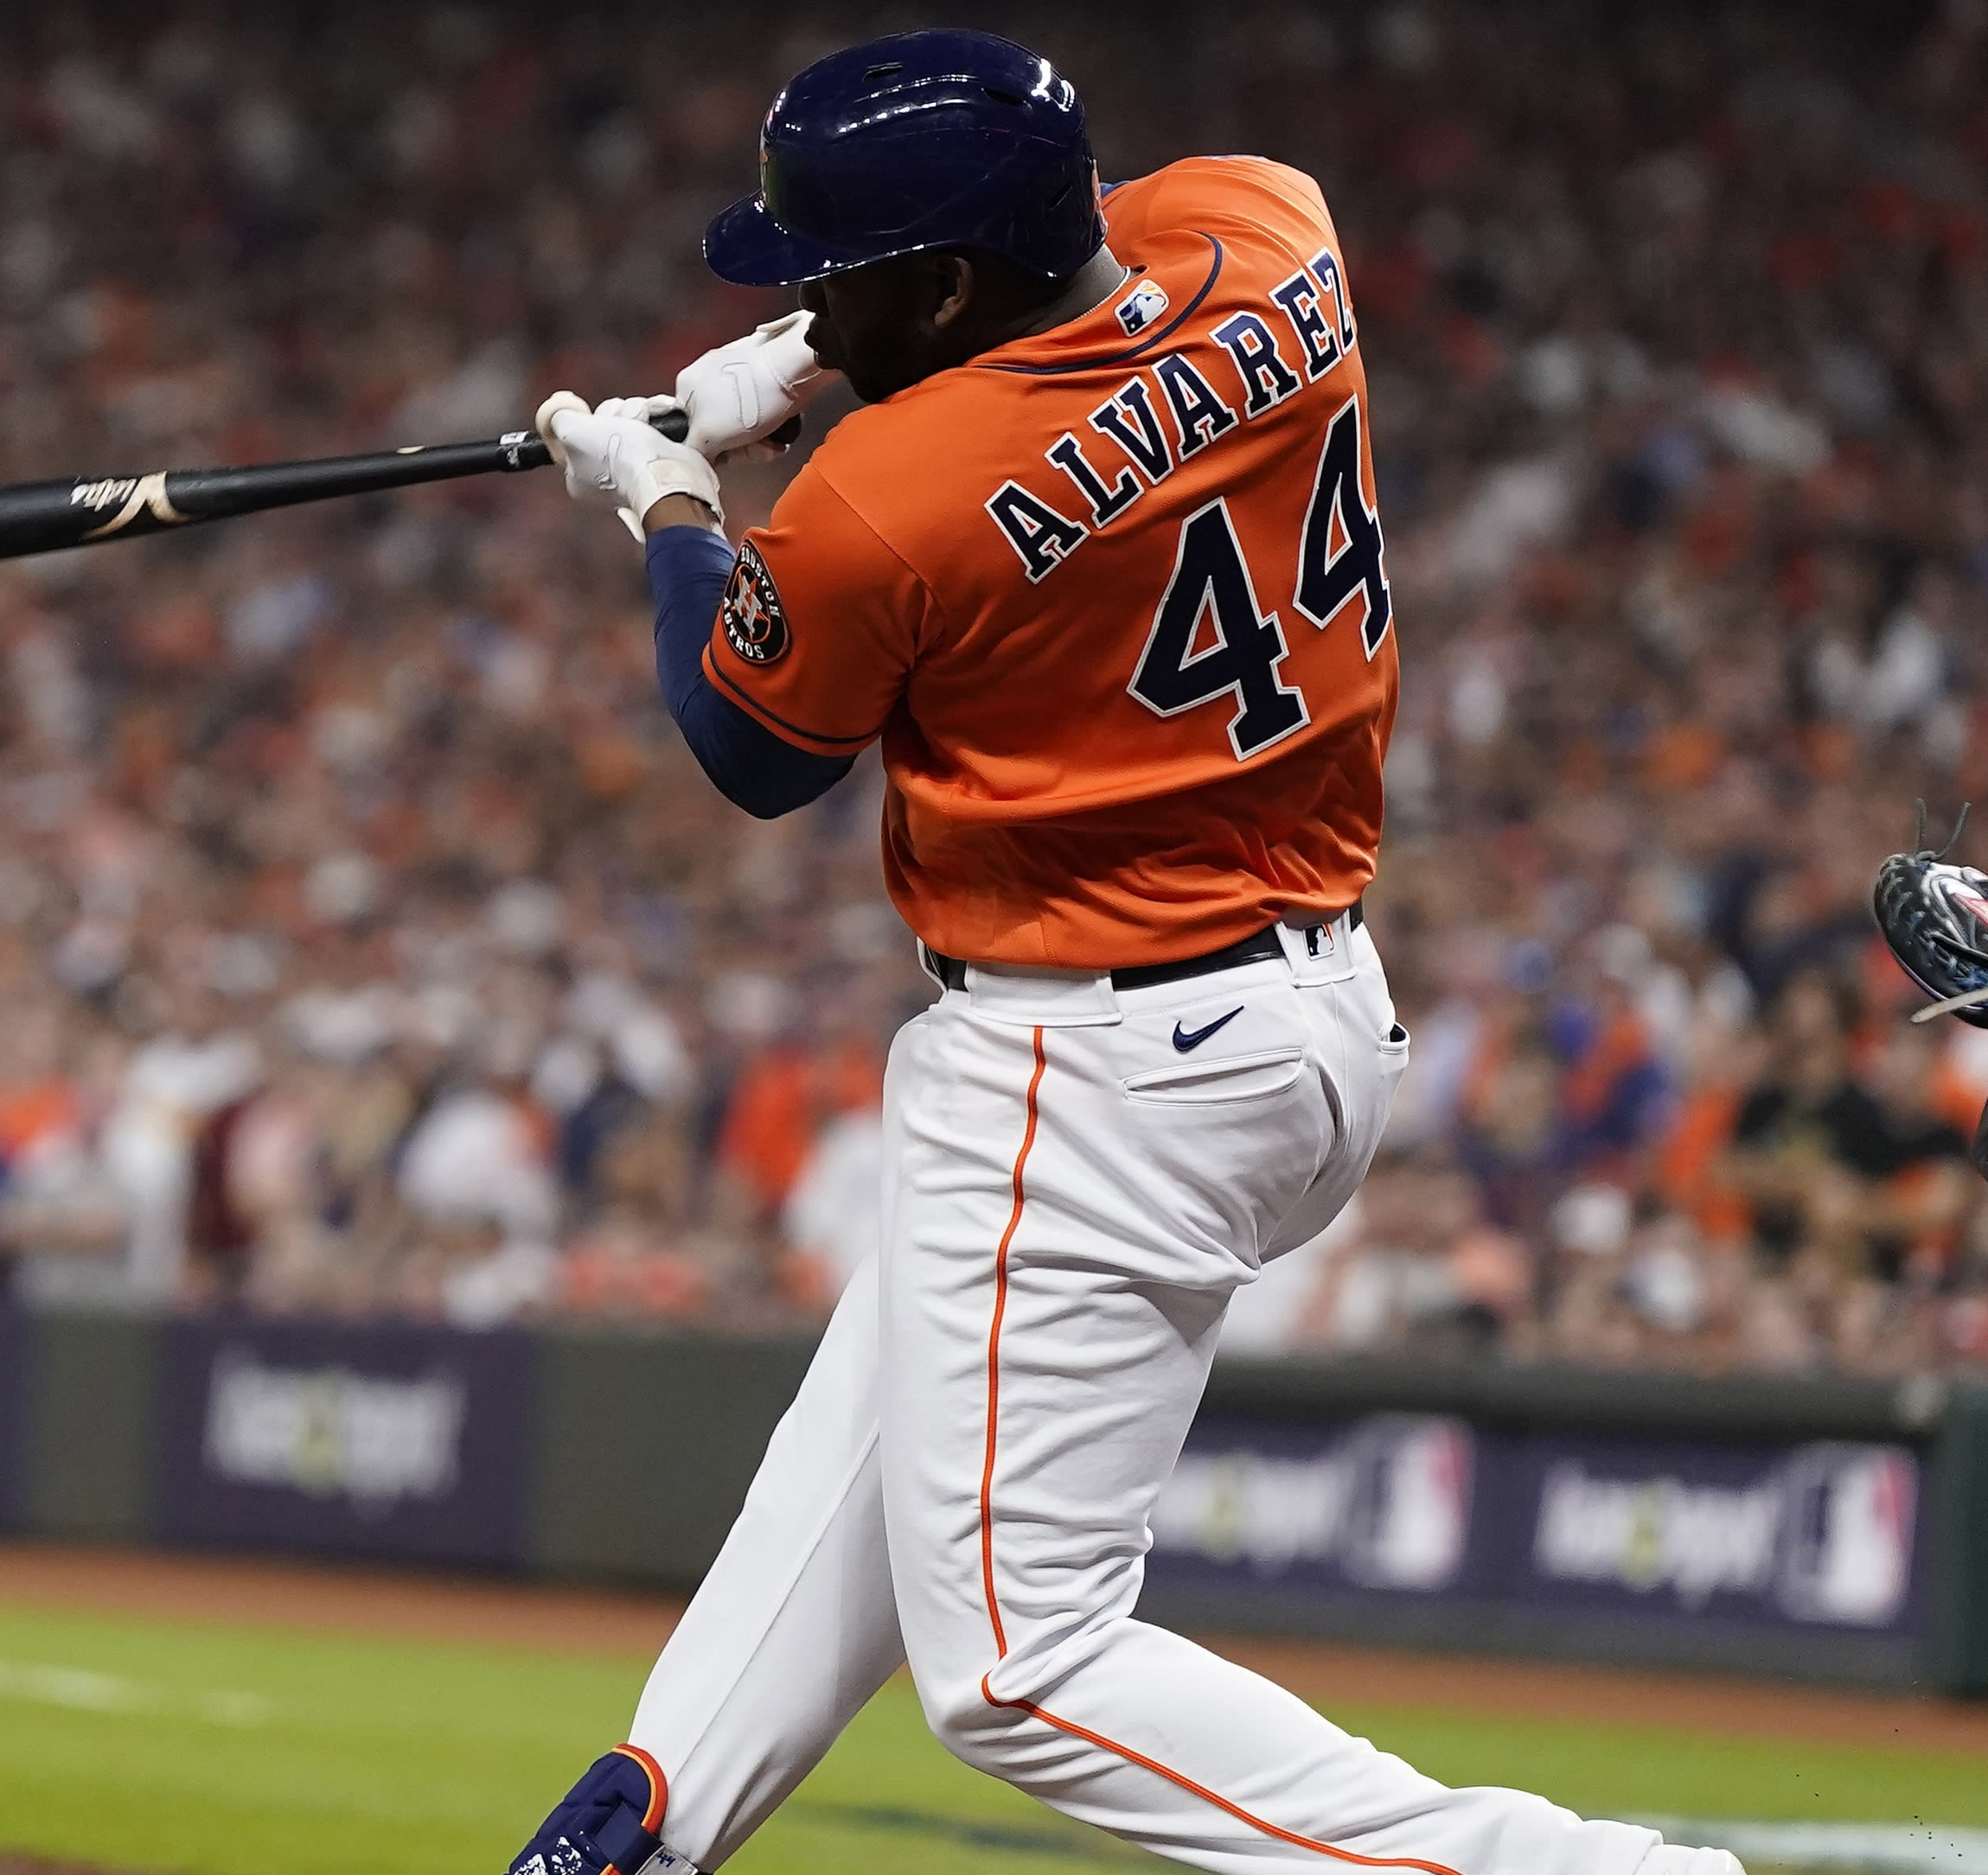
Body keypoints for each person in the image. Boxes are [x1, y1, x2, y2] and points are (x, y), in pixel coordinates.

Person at [507, 30, 1736, 1875]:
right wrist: (818, 360)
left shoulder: (887, 498)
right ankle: (636, 1835)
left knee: (1014, 1666)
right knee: (872, 1429)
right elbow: (1088, 270)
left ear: (942, 279)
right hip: (1308, 1015)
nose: (813, 308)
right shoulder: (1275, 226)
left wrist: (676, 496)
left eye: (843, 278)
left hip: (1099, 1060)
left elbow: (751, 744)